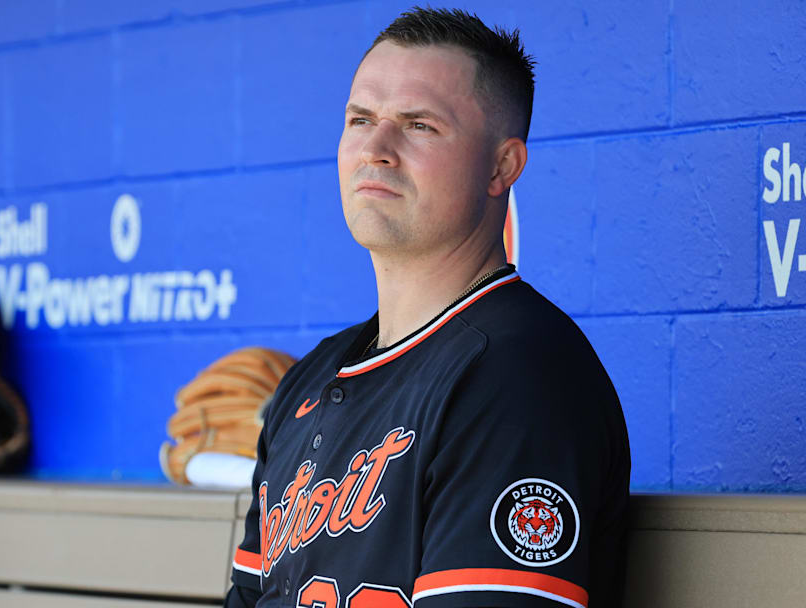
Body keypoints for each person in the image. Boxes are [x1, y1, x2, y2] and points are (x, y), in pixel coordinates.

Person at [223, 7, 630, 608]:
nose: (375, 148)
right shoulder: (306, 382)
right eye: (360, 119)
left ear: (502, 165)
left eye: (418, 125)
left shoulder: (519, 375)